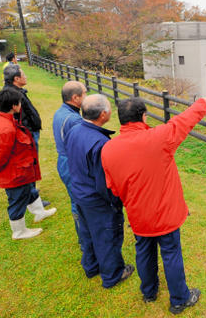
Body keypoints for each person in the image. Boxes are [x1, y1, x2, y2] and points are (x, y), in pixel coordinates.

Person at [101, 95, 206, 314]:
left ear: (121, 119)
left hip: (138, 214)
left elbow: (113, 187)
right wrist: (202, 104)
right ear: (143, 116)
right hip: (165, 214)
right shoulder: (159, 137)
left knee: (143, 251)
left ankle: (149, 291)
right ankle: (179, 299)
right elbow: (183, 121)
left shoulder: (108, 149)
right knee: (171, 252)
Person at [64, 94, 134, 288]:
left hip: (78, 191)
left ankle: (91, 266)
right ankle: (113, 274)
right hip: (96, 199)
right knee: (107, 235)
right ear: (103, 114)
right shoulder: (100, 143)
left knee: (87, 232)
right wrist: (115, 202)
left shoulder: (74, 129)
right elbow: (104, 182)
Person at [0, 89, 56, 240]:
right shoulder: (6, 128)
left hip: (22, 168)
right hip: (14, 172)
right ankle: (19, 231)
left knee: (29, 190)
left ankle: (39, 212)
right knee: (17, 198)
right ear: (14, 106)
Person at [3, 64, 51, 207]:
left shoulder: (15, 91)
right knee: (29, 165)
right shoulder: (12, 95)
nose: (26, 77)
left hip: (29, 132)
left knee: (31, 165)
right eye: (23, 75)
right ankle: (32, 198)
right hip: (26, 135)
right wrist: (27, 133)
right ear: (16, 78)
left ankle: (31, 193)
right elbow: (16, 118)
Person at [52, 81, 87, 240]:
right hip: (72, 164)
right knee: (80, 204)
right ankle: (84, 240)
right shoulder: (74, 120)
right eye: (84, 93)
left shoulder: (60, 112)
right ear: (75, 98)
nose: (87, 97)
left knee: (76, 200)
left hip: (63, 161)